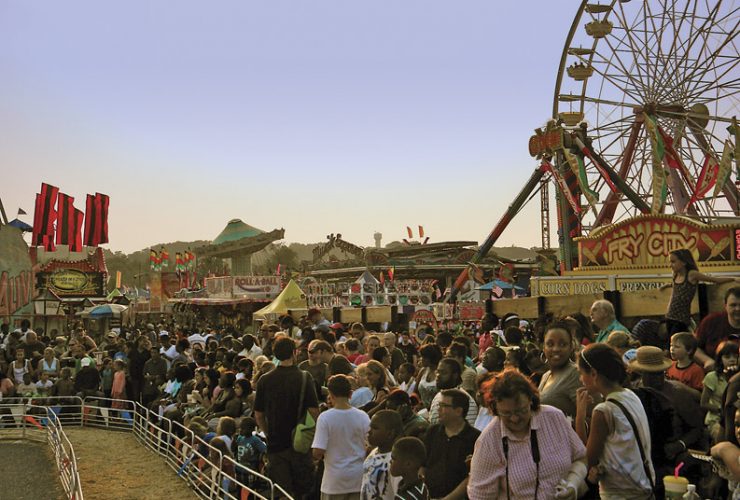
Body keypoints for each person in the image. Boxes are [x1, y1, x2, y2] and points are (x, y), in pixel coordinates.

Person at [468, 370, 587, 500]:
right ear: (495, 408)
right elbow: (478, 496)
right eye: (506, 413)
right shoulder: (488, 441)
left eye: (521, 411)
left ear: (531, 400)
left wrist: (573, 482)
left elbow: (581, 457)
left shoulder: (554, 417)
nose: (514, 419)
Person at [575, 343, 655, 499]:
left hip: (621, 493)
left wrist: (580, 415)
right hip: (644, 485)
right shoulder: (631, 396)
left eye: (581, 373)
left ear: (593, 373)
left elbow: (587, 459)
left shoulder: (604, 411)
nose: (580, 379)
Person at [253, 336, 319, 499]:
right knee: (302, 490)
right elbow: (313, 411)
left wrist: (268, 433)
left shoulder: (264, 379)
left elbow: (259, 414)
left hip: (275, 443)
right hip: (300, 442)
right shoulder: (304, 377)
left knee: (282, 492)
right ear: (294, 353)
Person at [312, 374, 371, 500]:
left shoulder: (325, 418)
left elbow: (318, 451)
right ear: (351, 394)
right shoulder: (363, 416)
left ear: (331, 395)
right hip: (358, 478)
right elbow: (370, 445)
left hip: (334, 481)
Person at [662, 248, 739, 335]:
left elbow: (714, 280)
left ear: (684, 262)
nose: (670, 265)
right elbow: (677, 287)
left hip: (681, 318)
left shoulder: (692, 274)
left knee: (675, 341)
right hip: (670, 315)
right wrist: (667, 285)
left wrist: (733, 278)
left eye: (673, 262)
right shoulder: (675, 275)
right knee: (669, 341)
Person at [424, 389, 480, 499]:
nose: (438, 409)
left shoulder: (475, 439)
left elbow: (472, 476)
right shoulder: (433, 432)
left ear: (458, 411)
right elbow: (423, 464)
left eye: (443, 406)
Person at [538, 321, 582, 420]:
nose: (556, 349)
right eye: (550, 344)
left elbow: (592, 416)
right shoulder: (546, 376)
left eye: (562, 344)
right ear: (543, 348)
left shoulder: (576, 373)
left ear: (571, 347)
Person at [695, 286, 740, 370]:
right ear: (725, 306)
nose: (738, 309)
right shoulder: (711, 321)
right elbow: (694, 348)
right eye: (733, 305)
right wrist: (707, 361)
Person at [702, 341, 739, 442]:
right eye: (727, 357)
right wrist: (721, 410)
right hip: (716, 419)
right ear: (720, 359)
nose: (732, 360)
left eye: (735, 357)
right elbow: (704, 403)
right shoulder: (712, 377)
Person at [362, 410, 403, 500]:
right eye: (370, 427)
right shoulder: (375, 451)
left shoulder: (395, 461)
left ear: (390, 434)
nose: (369, 432)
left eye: (375, 428)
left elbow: (398, 493)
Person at [428, 358, 478, 427]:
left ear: (455, 375)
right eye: (438, 372)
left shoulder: (465, 400)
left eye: (444, 373)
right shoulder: (439, 395)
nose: (438, 375)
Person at [232, 417, 267, 490]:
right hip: (239, 468)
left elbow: (264, 450)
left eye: (243, 428)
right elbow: (233, 449)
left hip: (250, 470)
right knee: (239, 489)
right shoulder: (239, 438)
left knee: (249, 491)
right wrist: (234, 441)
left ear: (251, 429)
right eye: (240, 428)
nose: (240, 430)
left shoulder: (255, 440)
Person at [416, 344, 443, 410]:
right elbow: (416, 390)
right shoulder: (423, 371)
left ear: (430, 358)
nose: (420, 359)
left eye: (423, 357)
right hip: (422, 411)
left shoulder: (441, 373)